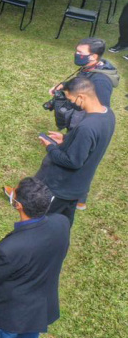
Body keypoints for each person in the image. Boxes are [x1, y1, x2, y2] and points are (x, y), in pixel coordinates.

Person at [0, 177, 70, 338]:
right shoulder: (62, 224)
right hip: (38, 310)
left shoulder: (10, 248)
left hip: (8, 314)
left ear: (18, 205)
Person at [29, 76, 116, 226]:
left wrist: (50, 147)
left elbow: (72, 161)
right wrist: (65, 138)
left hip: (63, 188)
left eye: (71, 99)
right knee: (63, 225)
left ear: (81, 97)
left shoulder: (86, 127)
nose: (70, 103)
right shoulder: (108, 114)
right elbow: (91, 144)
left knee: (44, 225)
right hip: (77, 187)